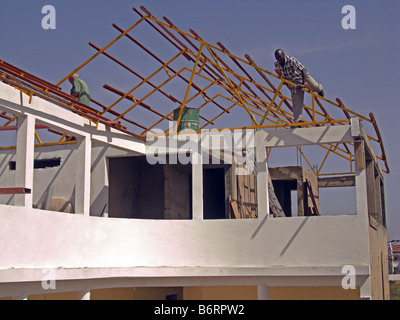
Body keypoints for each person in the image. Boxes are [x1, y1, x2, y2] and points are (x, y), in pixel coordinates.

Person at [274, 49, 324, 123]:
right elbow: (279, 71)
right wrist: (284, 79)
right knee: (296, 102)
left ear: (284, 55)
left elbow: (303, 70)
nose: (279, 59)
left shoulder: (291, 60)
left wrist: (303, 84)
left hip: (303, 77)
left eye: (280, 57)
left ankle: (320, 89)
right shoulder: (277, 63)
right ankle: (298, 121)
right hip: (294, 83)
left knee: (315, 86)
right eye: (277, 58)